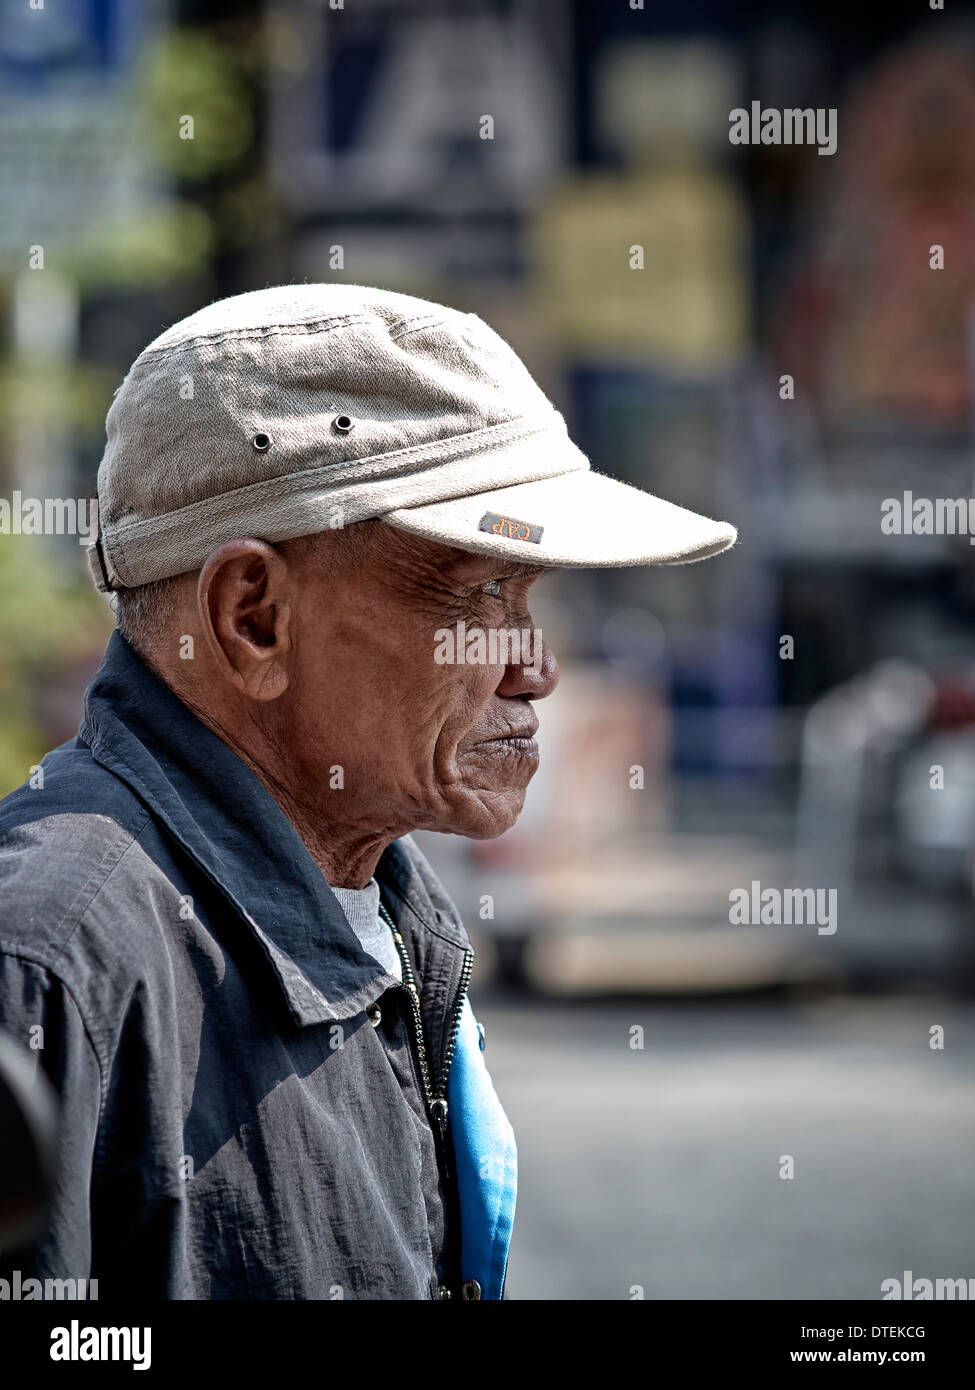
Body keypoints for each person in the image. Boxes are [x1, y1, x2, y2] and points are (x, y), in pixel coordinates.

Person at [0, 284, 735, 1300]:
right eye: (477, 592)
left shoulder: (385, 905)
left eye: (528, 599)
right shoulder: (49, 960)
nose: (535, 667)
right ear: (253, 617)